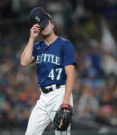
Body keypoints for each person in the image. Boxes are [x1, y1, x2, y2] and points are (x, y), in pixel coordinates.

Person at [20, 7, 76, 135]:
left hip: (59, 94)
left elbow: (71, 74)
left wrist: (66, 102)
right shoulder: (37, 47)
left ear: (52, 23)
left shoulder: (65, 45)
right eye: (41, 26)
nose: (44, 28)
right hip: (43, 97)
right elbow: (24, 62)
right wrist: (31, 39)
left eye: (46, 24)